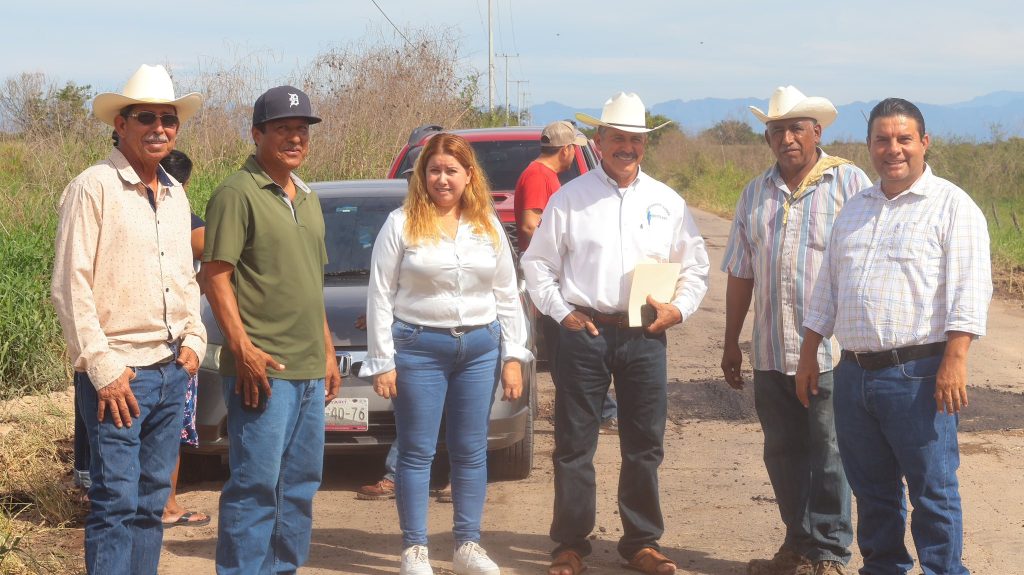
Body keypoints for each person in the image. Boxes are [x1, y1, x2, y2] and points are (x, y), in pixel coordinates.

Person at [796, 98, 992, 575]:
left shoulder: (951, 206)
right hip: (855, 374)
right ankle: (883, 568)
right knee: (873, 491)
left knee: (934, 491)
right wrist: (808, 355)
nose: (893, 149)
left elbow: (970, 288)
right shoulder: (855, 210)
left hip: (920, 376)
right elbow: (828, 288)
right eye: (882, 140)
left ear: (924, 142)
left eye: (904, 139)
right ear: (869, 147)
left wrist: (955, 359)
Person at [522, 92, 710, 575]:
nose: (626, 147)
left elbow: (696, 269)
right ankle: (569, 544)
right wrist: (561, 313)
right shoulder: (570, 198)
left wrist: (680, 310)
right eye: (617, 138)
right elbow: (537, 265)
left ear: (644, 144)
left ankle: (641, 542)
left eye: (635, 139)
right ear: (599, 141)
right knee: (574, 443)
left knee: (644, 442)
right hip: (583, 332)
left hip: (645, 334)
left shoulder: (667, 201)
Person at [51, 64, 206, 575]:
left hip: (168, 370)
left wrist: (195, 341)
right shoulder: (92, 188)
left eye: (169, 118)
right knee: (116, 506)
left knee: (150, 505)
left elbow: (186, 278)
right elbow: (71, 287)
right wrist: (103, 367)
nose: (159, 127)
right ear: (121, 123)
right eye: (147, 117)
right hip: (119, 377)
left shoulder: (175, 193)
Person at [360, 132, 532, 575]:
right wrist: (383, 361)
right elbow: (380, 296)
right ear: (422, 175)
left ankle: (467, 545)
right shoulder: (400, 224)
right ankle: (415, 549)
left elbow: (508, 294)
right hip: (419, 348)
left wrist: (514, 355)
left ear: (468, 176)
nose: (442, 179)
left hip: (479, 347)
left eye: (451, 170)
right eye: (434, 170)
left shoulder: (487, 225)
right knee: (417, 451)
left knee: (471, 450)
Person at [720, 86, 870, 575]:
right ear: (767, 137)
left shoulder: (848, 183)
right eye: (777, 130)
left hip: (831, 353)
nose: (786, 138)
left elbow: (867, 263)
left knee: (829, 452)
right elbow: (742, 272)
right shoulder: (755, 192)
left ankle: (829, 553)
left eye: (796, 129)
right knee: (782, 453)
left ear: (816, 132)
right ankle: (798, 544)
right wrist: (730, 343)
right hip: (769, 348)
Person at [203, 86, 342, 574]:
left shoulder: (307, 196)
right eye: (283, 128)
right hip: (263, 370)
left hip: (307, 368)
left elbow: (310, 284)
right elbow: (215, 275)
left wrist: (327, 351)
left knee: (300, 486)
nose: (295, 137)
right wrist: (242, 349)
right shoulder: (236, 193)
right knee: (255, 486)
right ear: (257, 133)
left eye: (302, 129)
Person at [513, 120, 619, 432]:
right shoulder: (538, 175)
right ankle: (592, 412)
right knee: (564, 346)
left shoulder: (546, 175)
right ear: (568, 150)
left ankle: (600, 410)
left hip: (555, 273)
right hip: (549, 276)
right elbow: (530, 224)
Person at [156, 149, 211, 528]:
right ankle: (168, 505)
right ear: (184, 183)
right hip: (177, 341)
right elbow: (215, 260)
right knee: (169, 425)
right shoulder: (187, 221)